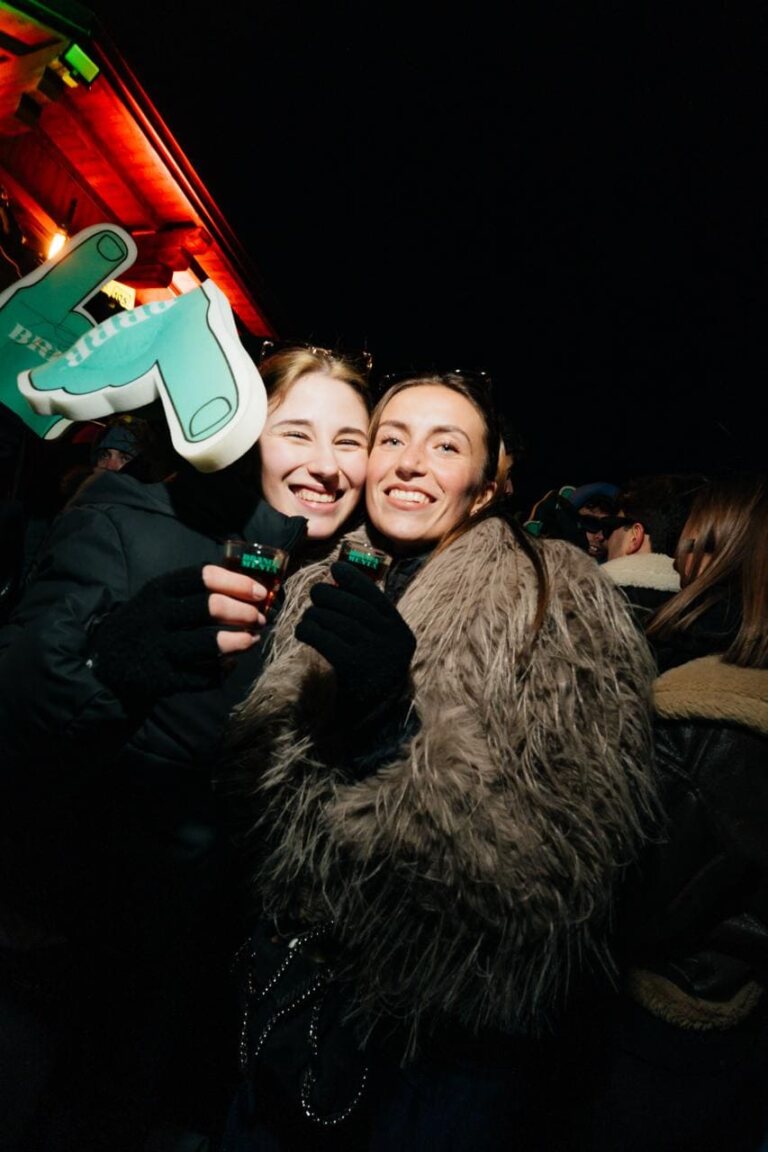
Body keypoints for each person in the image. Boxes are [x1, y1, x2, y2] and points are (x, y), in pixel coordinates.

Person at [216, 371, 658, 1151]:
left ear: (484, 490)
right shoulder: (313, 579)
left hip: (436, 1039)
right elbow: (251, 805)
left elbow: (561, 865)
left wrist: (395, 730)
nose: (410, 462)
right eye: (392, 438)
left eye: (445, 446)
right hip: (289, 995)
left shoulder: (553, 599)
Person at [0, 345, 371, 1152]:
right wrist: (103, 665)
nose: (327, 465)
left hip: (208, 979)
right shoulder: (131, 518)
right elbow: (17, 711)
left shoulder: (343, 579)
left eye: (350, 441)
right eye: (297, 433)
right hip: (75, 950)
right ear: (240, 430)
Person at [563, 471, 768, 1152]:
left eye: (696, 544)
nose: (680, 559)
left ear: (725, 558)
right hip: (727, 1014)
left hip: (660, 1026)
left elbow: (634, 907)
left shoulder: (710, 714)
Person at [600, 472, 708, 631]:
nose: (603, 539)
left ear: (635, 536)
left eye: (608, 527)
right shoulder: (709, 617)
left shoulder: (586, 604)